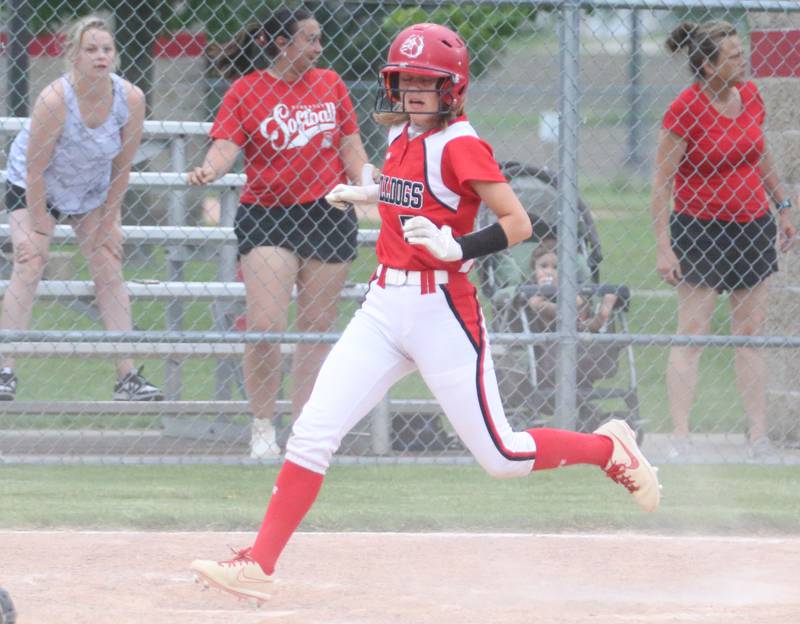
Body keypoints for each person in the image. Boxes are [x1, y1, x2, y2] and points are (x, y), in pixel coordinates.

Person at [190, 22, 660, 603]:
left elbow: (518, 224)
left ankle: (608, 448)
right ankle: (259, 564)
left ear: (453, 87)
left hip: (443, 310)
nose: (413, 92)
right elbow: (410, 192)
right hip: (386, 304)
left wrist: (456, 247)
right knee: (312, 432)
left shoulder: (461, 143)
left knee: (503, 456)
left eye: (426, 82)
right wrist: (370, 194)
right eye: (404, 79)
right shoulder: (404, 135)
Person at [188, 7, 372, 459]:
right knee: (267, 326)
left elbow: (351, 147)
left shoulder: (330, 84)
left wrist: (369, 184)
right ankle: (263, 425)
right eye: (308, 39)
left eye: (318, 39)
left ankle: (305, 430)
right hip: (268, 216)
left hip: (328, 212)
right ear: (280, 43)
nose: (317, 48)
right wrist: (210, 169)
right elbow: (226, 144)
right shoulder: (246, 91)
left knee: (315, 328)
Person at [650, 21, 796, 460]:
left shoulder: (750, 96)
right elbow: (662, 182)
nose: (743, 60)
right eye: (732, 56)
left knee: (750, 333)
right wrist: (663, 245)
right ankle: (680, 437)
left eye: (740, 52)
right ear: (708, 66)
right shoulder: (685, 109)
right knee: (692, 332)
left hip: (752, 225)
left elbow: (760, 153)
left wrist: (782, 205)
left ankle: (758, 436)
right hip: (699, 227)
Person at [0, 15, 162, 402]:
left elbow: (123, 166)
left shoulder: (131, 98)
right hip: (34, 186)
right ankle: (5, 371)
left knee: (108, 259)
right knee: (30, 259)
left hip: (90, 187)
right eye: (90, 49)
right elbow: (35, 169)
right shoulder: (56, 99)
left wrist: (109, 221)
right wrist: (40, 228)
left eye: (107, 49)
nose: (100, 56)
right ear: (74, 55)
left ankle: (128, 377)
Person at [526, 238, 617, 333]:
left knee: (579, 304)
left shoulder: (568, 284)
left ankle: (602, 316)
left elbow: (580, 307)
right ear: (534, 267)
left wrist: (562, 289)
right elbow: (533, 304)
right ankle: (570, 315)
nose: (549, 272)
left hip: (574, 327)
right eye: (543, 266)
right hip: (543, 330)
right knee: (535, 303)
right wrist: (542, 291)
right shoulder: (531, 285)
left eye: (556, 267)